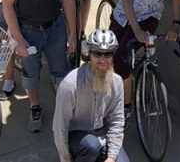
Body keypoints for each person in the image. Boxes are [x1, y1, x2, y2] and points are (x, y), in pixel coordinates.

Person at [0, 0, 77, 132]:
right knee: (30, 74)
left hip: (55, 28)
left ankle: (64, 111)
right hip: (28, 30)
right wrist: (18, 40)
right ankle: (35, 106)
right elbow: (7, 5)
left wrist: (72, 32)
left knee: (60, 72)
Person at [53, 29, 129, 162]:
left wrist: (111, 157)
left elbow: (117, 121)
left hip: (102, 134)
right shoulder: (71, 84)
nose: (103, 59)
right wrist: (65, 158)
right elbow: (60, 126)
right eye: (97, 54)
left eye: (108, 54)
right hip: (78, 135)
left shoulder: (117, 82)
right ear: (89, 53)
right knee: (91, 146)